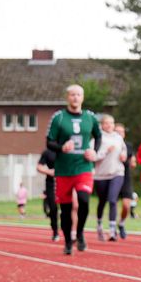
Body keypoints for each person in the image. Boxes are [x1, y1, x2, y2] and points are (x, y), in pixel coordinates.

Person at [46, 84, 102, 255]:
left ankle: (80, 233)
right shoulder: (59, 117)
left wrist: (94, 151)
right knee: (66, 209)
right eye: (72, 95)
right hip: (63, 169)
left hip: (83, 166)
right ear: (67, 97)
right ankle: (68, 241)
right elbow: (49, 142)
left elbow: (98, 136)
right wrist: (61, 147)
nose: (75, 98)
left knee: (84, 200)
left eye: (78, 94)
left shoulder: (90, 117)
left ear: (82, 98)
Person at [94, 114, 128, 241]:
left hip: (117, 172)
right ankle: (99, 225)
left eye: (111, 123)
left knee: (113, 200)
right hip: (101, 175)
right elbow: (93, 156)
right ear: (102, 125)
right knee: (102, 201)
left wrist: (123, 155)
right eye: (106, 123)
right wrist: (105, 152)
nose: (109, 125)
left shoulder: (118, 138)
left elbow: (123, 150)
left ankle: (112, 230)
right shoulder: (97, 138)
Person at [115, 122, 137, 239]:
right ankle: (111, 227)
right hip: (112, 176)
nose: (119, 134)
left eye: (121, 132)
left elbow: (133, 159)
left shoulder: (128, 146)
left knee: (126, 205)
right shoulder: (109, 144)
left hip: (125, 177)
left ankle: (122, 223)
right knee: (112, 203)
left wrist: (133, 162)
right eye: (117, 132)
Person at [36, 148, 60, 240]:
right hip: (51, 183)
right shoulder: (47, 152)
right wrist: (49, 172)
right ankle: (55, 231)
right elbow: (39, 167)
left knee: (67, 208)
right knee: (53, 208)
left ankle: (70, 231)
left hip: (65, 181)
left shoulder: (68, 150)